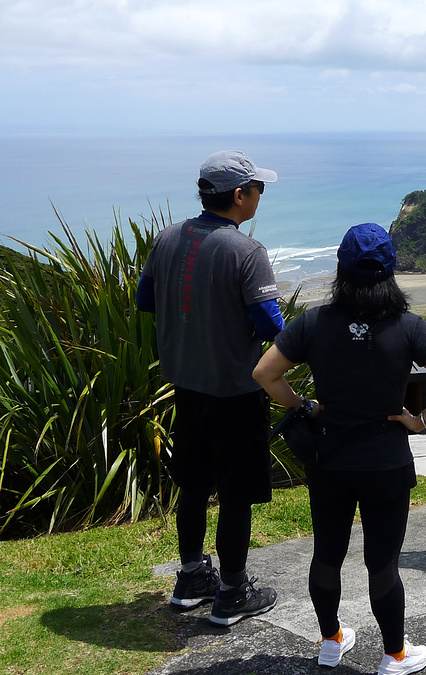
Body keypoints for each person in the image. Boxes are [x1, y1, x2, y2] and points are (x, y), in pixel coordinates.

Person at [254, 223, 426, 675]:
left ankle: (331, 641)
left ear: (340, 269)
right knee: (382, 563)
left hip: (329, 457)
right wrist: (421, 421)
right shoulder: (408, 326)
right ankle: (394, 655)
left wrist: (304, 405)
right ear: (390, 272)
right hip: (386, 461)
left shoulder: (312, 322)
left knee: (327, 555)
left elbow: (265, 373)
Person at [136, 150, 283, 625]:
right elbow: (271, 324)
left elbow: (145, 300)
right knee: (236, 494)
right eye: (257, 188)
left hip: (187, 384)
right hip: (235, 390)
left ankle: (191, 578)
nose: (260, 195)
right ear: (239, 195)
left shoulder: (167, 238)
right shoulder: (247, 251)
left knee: (194, 485)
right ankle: (232, 593)